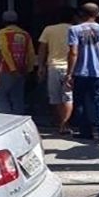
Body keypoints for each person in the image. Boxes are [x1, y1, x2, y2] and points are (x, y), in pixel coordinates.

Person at [65, 2, 99, 142]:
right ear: (98, 14)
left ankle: (85, 130)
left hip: (80, 71)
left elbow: (73, 52)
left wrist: (70, 73)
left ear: (81, 14)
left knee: (80, 101)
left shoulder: (74, 30)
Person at [38, 7, 75, 135]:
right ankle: (65, 124)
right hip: (71, 67)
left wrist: (41, 66)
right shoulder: (75, 30)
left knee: (55, 98)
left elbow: (42, 49)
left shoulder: (49, 29)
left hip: (53, 66)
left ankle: (61, 123)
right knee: (68, 97)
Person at [0, 10, 36, 115]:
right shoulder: (25, 34)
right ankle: (19, 118)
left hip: (7, 69)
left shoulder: (3, 33)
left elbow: (5, 51)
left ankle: (7, 117)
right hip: (22, 68)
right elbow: (31, 52)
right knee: (17, 97)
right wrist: (30, 69)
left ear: (3, 21)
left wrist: (12, 68)